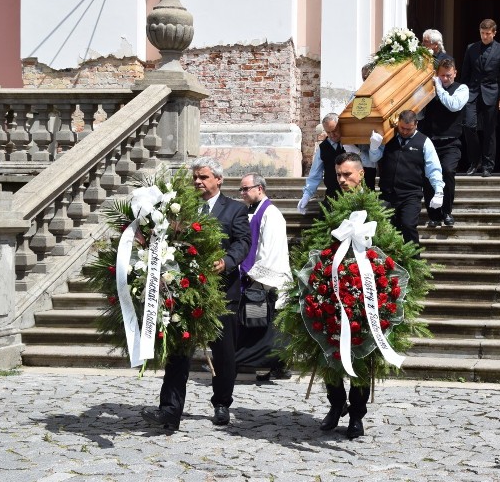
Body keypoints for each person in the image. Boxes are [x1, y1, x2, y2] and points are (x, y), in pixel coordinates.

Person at [142, 157, 250, 430]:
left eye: (203, 177)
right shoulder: (183, 210)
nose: (198, 182)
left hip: (222, 292)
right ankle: (169, 410)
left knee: (224, 353)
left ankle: (222, 402)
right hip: (186, 290)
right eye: (195, 178)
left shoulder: (234, 209)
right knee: (179, 352)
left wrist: (226, 261)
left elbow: (243, 242)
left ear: (218, 179)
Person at [319, 151, 371, 439]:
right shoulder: (329, 203)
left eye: (347, 174)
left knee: (361, 355)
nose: (342, 180)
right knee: (328, 352)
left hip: (363, 293)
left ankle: (357, 414)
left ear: (361, 173)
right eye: (338, 175)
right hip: (331, 291)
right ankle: (335, 403)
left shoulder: (375, 204)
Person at [235, 172, 292, 381]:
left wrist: (252, 274)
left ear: (259, 188)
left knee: (268, 327)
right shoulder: (254, 211)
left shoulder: (272, 214)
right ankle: (264, 366)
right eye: (240, 189)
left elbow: (272, 250)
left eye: (245, 189)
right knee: (257, 325)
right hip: (254, 278)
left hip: (267, 281)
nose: (242, 193)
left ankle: (276, 366)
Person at [370, 110, 444, 244]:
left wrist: (439, 191)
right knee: (384, 228)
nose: (404, 132)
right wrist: (374, 147)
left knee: (408, 226)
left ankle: (414, 261)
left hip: (410, 194)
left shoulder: (424, 142)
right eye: (402, 128)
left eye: (408, 129)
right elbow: (374, 158)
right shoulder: (389, 137)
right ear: (398, 123)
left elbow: (433, 169)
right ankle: (387, 262)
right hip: (387, 194)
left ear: (416, 124)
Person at [419, 57, 469, 227]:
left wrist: (439, 89)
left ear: (455, 73)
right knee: (428, 177)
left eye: (448, 75)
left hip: (451, 141)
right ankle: (433, 215)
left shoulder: (461, 88)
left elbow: (454, 105)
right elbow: (419, 113)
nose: (445, 79)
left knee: (447, 171)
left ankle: (446, 211)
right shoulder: (431, 89)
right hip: (430, 141)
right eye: (442, 76)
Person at [461, 18, 500, 177]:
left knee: (490, 131)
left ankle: (488, 165)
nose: (484, 36)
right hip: (473, 92)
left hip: (492, 93)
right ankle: (475, 161)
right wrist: (462, 93)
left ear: (494, 33)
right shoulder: (471, 48)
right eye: (482, 33)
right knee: (469, 126)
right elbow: (465, 74)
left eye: (487, 34)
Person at [298, 113, 375, 213]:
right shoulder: (323, 148)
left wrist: (356, 150)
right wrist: (307, 195)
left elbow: (371, 164)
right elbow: (315, 174)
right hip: (333, 196)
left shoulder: (356, 141)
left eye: (334, 131)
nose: (332, 135)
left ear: (341, 127)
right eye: (328, 132)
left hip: (358, 195)